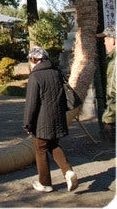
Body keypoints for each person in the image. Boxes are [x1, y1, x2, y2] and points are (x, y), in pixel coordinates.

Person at [23, 45, 78, 193]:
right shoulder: (56, 72)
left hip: (42, 121)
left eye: (30, 60)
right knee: (53, 145)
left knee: (40, 149)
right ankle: (68, 171)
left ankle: (45, 183)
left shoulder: (35, 76)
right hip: (58, 116)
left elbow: (31, 104)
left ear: (34, 59)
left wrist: (28, 124)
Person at [97, 25, 116, 142]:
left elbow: (114, 92)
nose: (104, 43)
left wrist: (108, 118)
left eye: (105, 39)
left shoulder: (114, 62)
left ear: (113, 40)